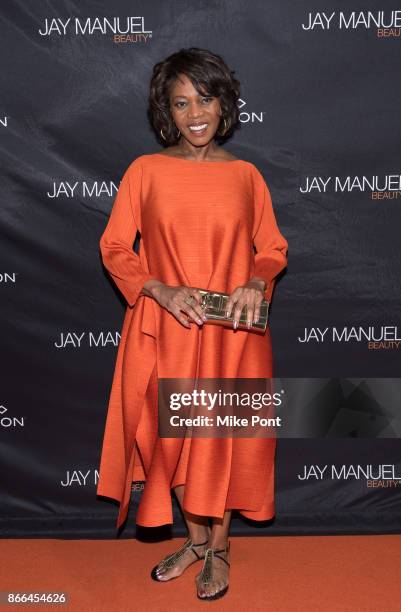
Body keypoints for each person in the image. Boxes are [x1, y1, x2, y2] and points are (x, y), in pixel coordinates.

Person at [96, 47, 288, 601]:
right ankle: (196, 540)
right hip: (166, 327)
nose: (195, 113)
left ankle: (219, 547)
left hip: (232, 334)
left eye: (205, 98)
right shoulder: (144, 172)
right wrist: (156, 286)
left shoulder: (247, 176)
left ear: (224, 103)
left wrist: (256, 280)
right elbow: (114, 246)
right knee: (170, 439)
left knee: (220, 438)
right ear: (166, 112)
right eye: (181, 103)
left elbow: (273, 248)